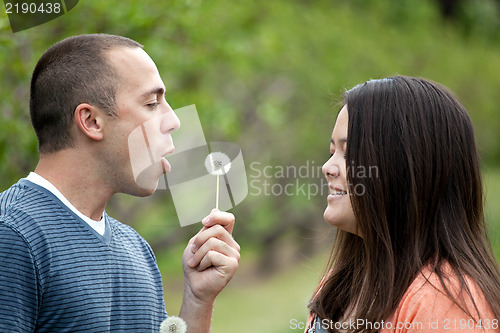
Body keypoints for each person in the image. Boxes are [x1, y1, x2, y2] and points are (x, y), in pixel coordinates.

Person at [0, 34, 240, 333]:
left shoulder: (135, 249)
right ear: (91, 121)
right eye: (152, 103)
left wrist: (197, 299)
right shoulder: (12, 238)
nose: (173, 120)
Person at [305, 76, 500, 333]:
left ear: (403, 170)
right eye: (333, 152)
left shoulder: (443, 304)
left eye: (349, 153)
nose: (327, 168)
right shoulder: (339, 287)